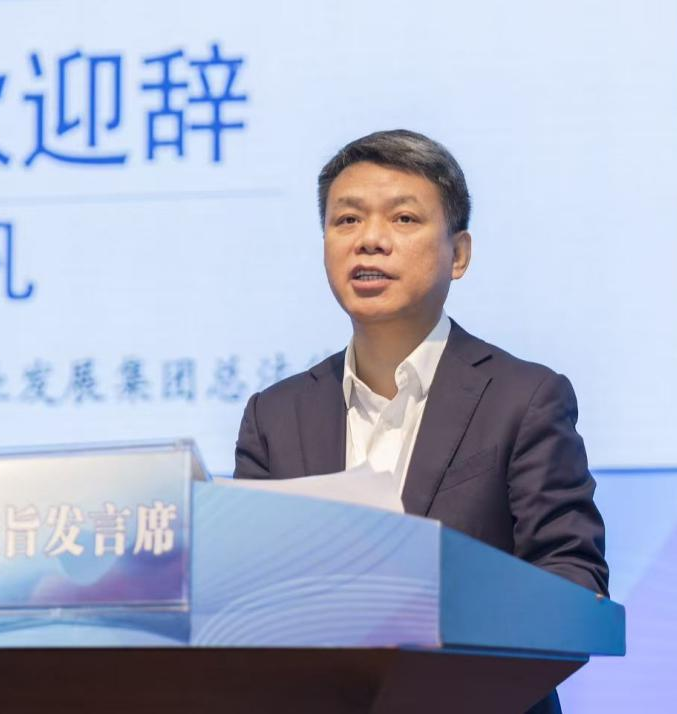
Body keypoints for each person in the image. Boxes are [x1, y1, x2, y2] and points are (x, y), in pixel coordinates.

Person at [233, 129, 608, 713]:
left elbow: (572, 579)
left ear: (458, 255)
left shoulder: (524, 398)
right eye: (347, 220)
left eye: (403, 219)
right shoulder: (275, 415)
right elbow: (241, 595)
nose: (370, 240)